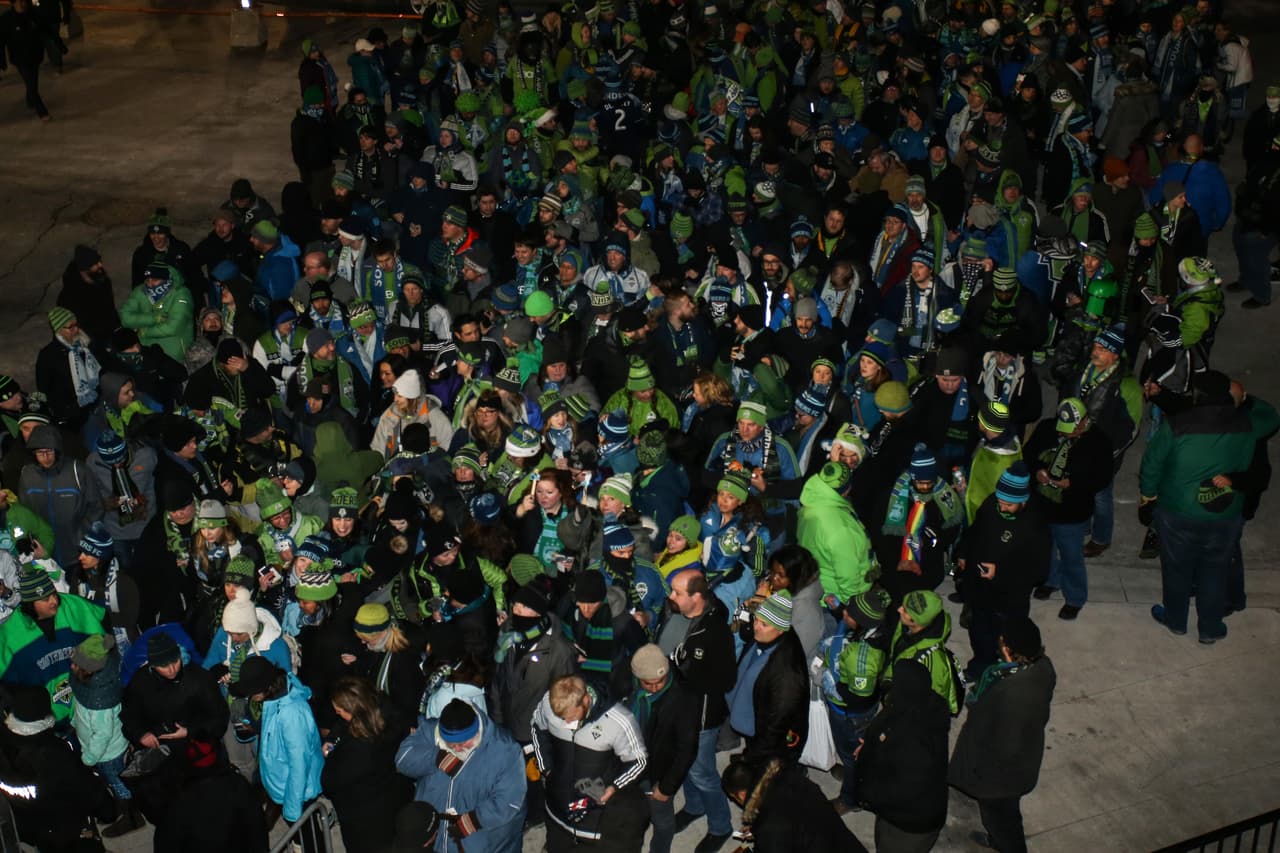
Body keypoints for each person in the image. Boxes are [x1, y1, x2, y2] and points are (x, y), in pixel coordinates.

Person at [1143, 372, 1276, 643]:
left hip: (1178, 512)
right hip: (1225, 514)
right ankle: (1210, 629)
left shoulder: (1178, 424)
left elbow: (1152, 464)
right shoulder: (1247, 423)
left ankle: (1176, 620)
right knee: (1215, 570)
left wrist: (1147, 498)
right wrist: (1245, 398)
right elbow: (1271, 415)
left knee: (1177, 569)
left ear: (1197, 395)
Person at [949, 617, 1056, 853]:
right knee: (1002, 815)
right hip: (1019, 760)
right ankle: (999, 839)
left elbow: (1006, 747)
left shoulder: (1012, 691)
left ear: (1007, 649)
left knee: (1002, 818)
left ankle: (1006, 845)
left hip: (1000, 780)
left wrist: (980, 772)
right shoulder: (1043, 667)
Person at [531, 674, 649, 851]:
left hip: (594, 820)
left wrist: (614, 787)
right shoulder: (549, 703)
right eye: (560, 717)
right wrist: (546, 768)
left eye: (570, 716)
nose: (566, 722)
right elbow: (536, 728)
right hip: (556, 810)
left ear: (585, 699)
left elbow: (639, 761)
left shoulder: (619, 720)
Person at [395, 697, 527, 851]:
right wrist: (436, 757)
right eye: (451, 744)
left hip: (479, 842)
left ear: (476, 731)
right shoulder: (430, 731)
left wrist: (473, 821)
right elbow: (403, 759)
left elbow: (510, 801)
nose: (457, 749)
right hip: (435, 836)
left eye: (464, 743)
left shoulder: (505, 749)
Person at [0, 688, 117, 849]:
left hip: (28, 827)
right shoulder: (55, 754)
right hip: (67, 830)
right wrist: (108, 810)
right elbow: (87, 789)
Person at [855, 659, 951, 852]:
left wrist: (868, 794)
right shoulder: (913, 704)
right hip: (892, 814)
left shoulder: (918, 743)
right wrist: (871, 747)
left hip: (909, 824)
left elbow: (903, 789)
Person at [231, 656, 324, 844]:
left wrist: (291, 809)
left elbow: (299, 766)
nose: (250, 697)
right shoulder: (275, 698)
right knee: (301, 837)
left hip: (299, 792)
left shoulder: (291, 714)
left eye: (251, 692)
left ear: (266, 686)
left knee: (308, 838)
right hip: (284, 784)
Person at [322, 676, 414, 853]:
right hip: (394, 798)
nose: (337, 714)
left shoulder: (359, 749)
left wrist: (330, 754)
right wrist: (333, 738)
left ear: (354, 711)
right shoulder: (386, 712)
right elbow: (342, 724)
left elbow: (330, 781)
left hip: (365, 816)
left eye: (340, 711)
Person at [626, 644, 701, 853]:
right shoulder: (625, 682)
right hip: (627, 766)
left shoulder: (684, 698)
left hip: (656, 773)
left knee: (663, 821)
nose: (656, 687)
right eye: (649, 683)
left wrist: (667, 787)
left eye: (661, 681)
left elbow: (687, 749)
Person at [725, 591, 808, 770]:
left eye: (764, 624)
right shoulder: (767, 636)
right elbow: (746, 631)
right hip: (753, 713)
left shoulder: (788, 675)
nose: (756, 627)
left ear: (780, 630)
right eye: (756, 620)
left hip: (765, 733)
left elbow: (775, 727)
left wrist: (753, 756)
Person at [721, 758, 870, 852]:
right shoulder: (787, 777)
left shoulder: (770, 829)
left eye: (734, 798)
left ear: (741, 794)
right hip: (842, 841)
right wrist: (758, 828)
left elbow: (775, 838)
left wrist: (761, 835)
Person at [0, 0, 59, 120]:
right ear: (13, 4)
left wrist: (59, 44)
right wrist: (2, 60)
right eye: (19, 2)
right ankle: (42, 111)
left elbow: (46, 29)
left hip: (35, 55)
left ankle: (30, 100)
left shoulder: (33, 15)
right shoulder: (6, 19)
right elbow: (1, 41)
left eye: (24, 1)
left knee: (33, 81)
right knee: (31, 83)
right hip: (20, 59)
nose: (22, 4)